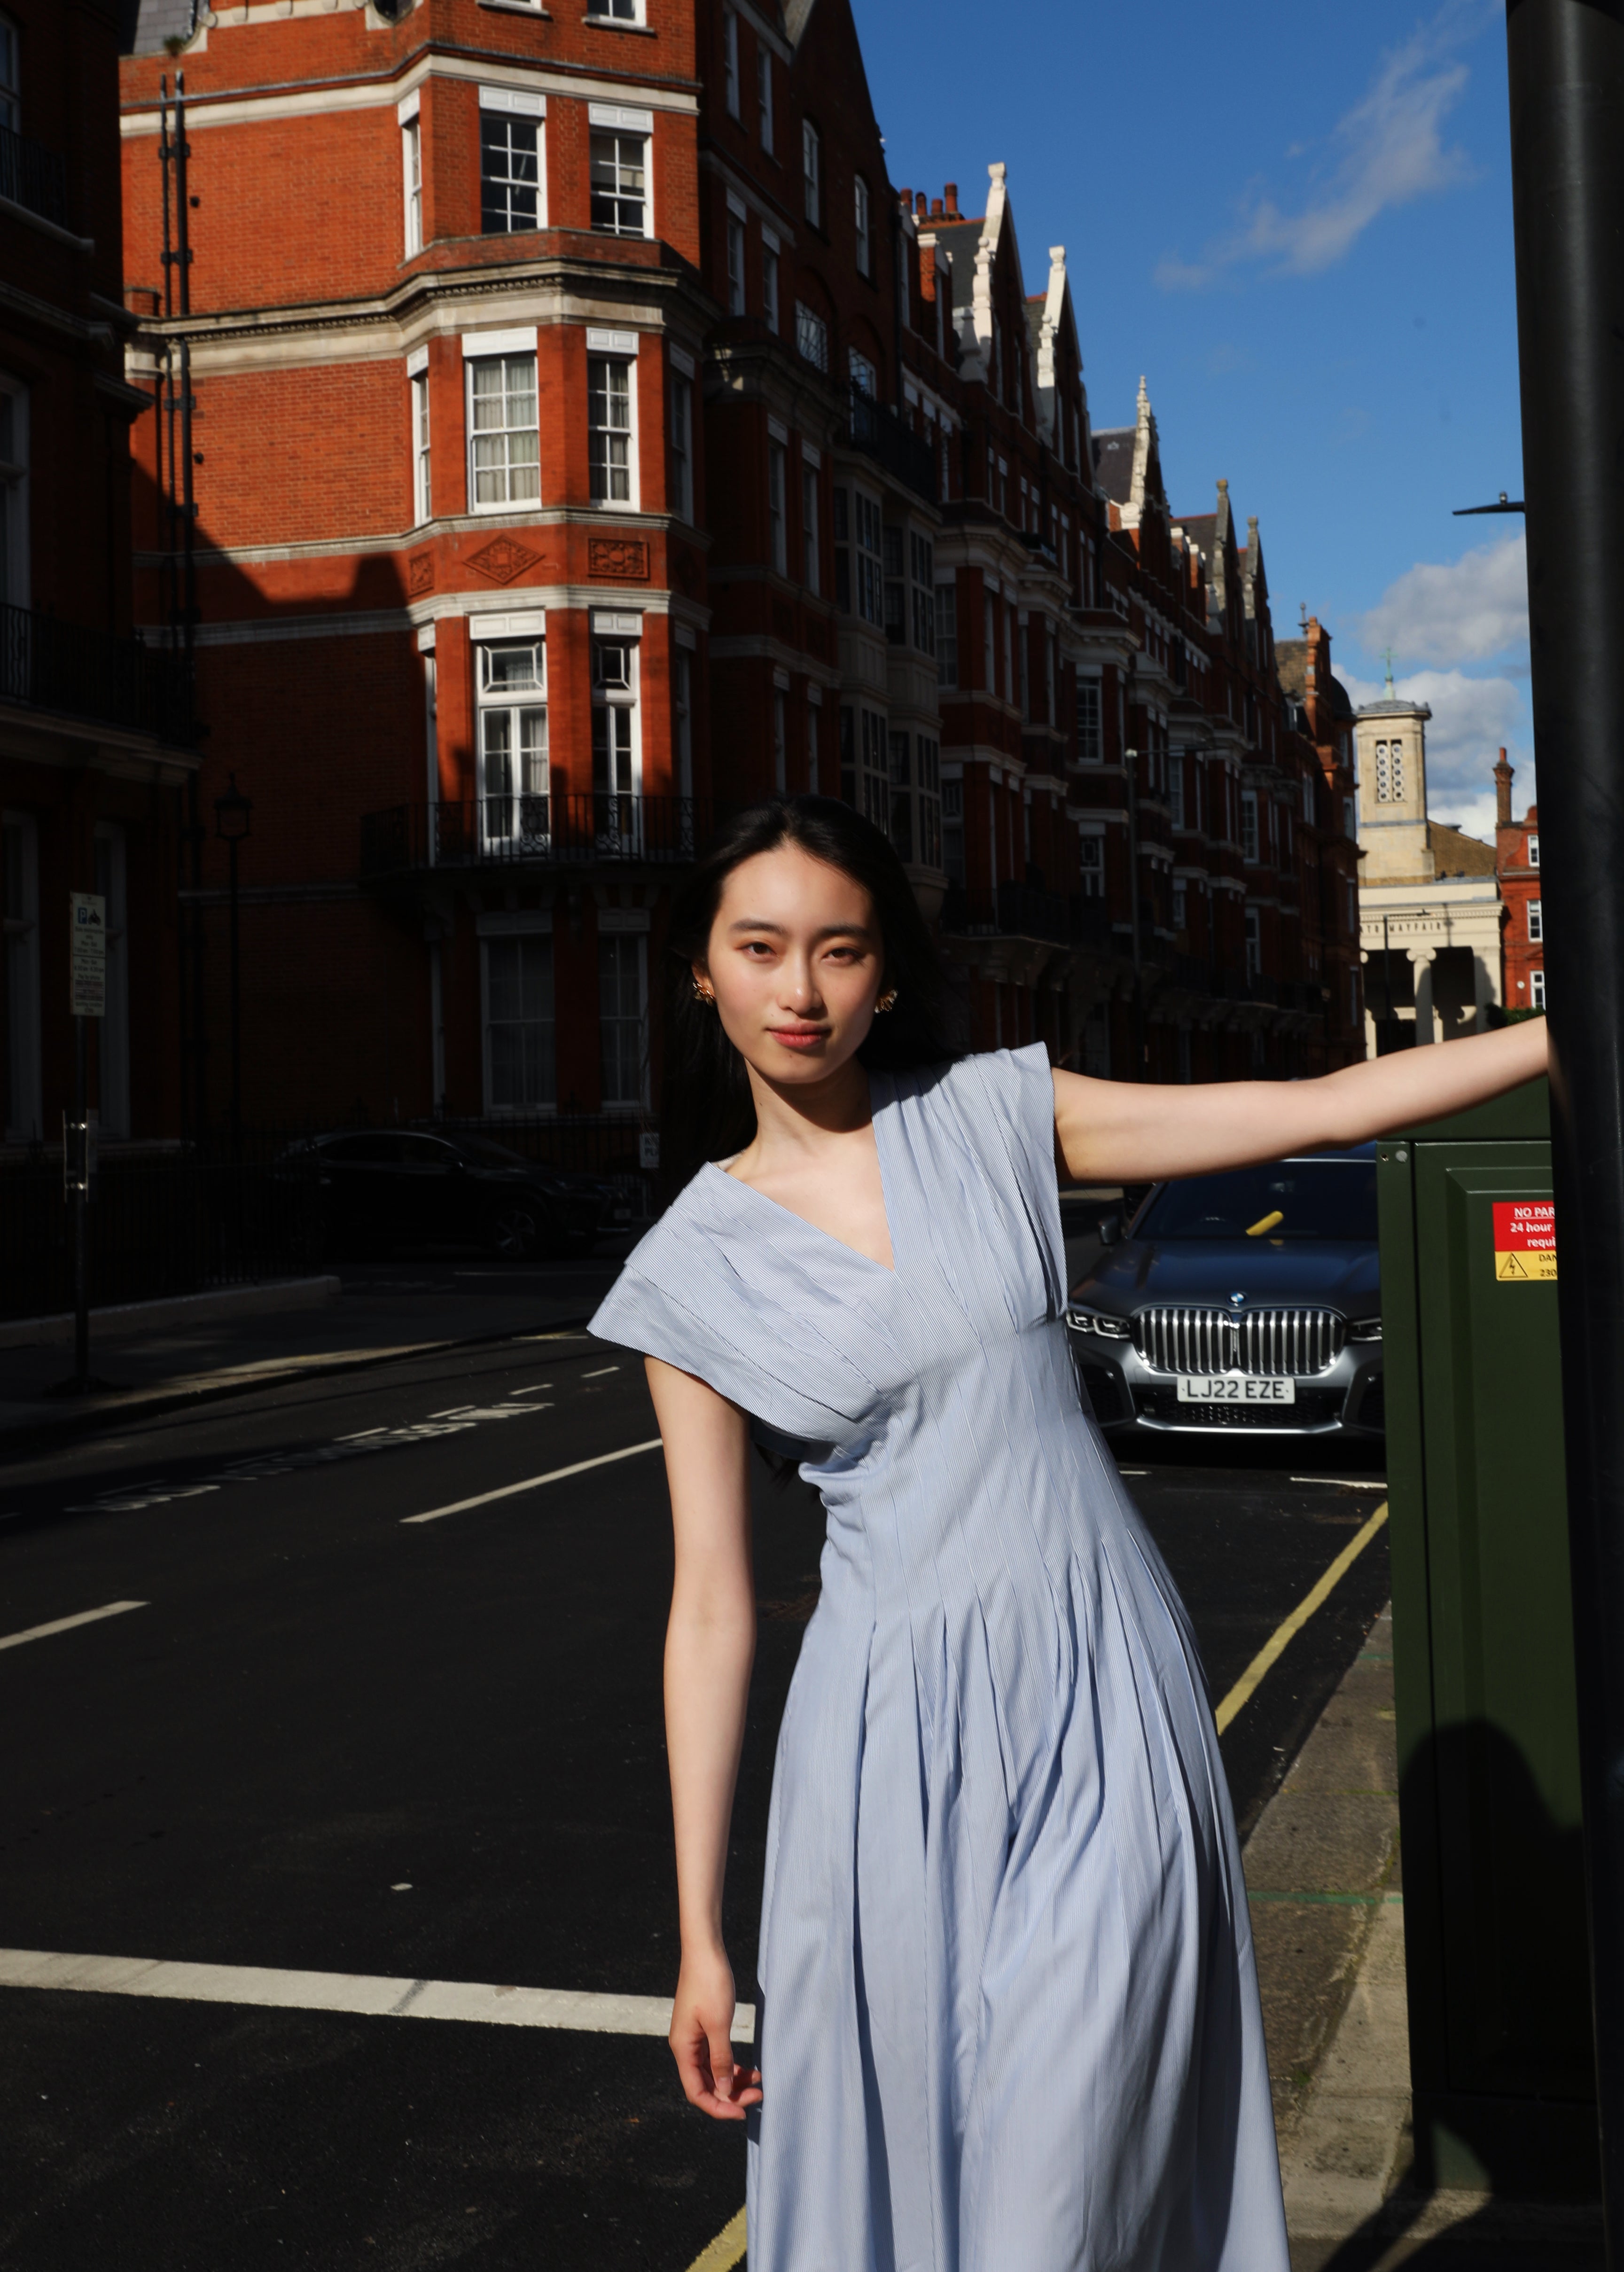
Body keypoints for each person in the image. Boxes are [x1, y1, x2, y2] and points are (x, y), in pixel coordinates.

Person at [589, 796, 1547, 2271]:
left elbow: (1323, 1107)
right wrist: (700, 1938)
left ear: (887, 975)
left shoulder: (992, 1116)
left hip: (1103, 1697)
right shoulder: (685, 1272)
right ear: (699, 971)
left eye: (839, 951)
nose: (801, 990)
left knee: (1064, 2196)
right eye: (761, 948)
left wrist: (1572, 1025)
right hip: (884, 1757)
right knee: (918, 2180)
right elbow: (711, 1606)